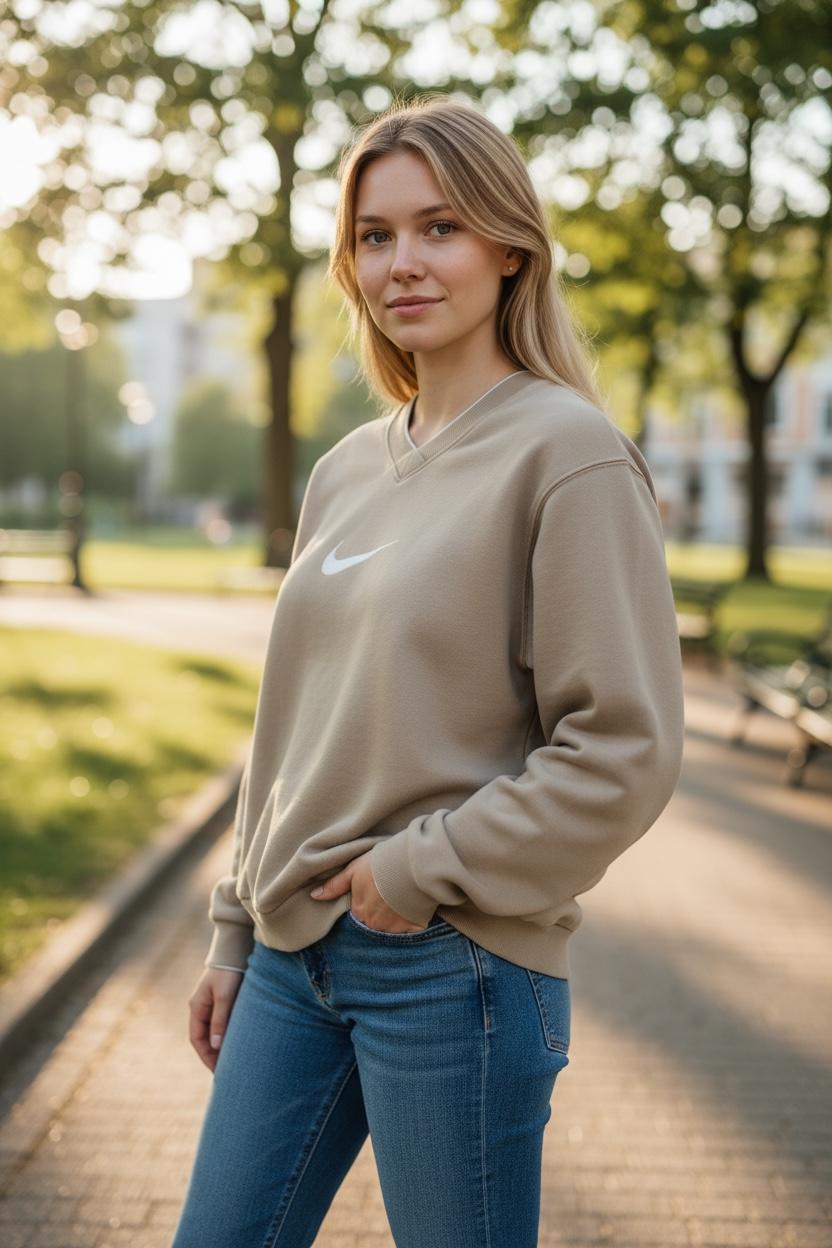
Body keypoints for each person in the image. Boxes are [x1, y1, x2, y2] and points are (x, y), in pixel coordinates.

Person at [171, 92, 685, 1248]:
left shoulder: (569, 454)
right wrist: (231, 924)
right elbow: (290, 727)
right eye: (374, 235)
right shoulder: (347, 468)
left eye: (439, 228)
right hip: (288, 959)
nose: (402, 262)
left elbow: (623, 749)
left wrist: (424, 867)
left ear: (509, 250)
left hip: (454, 969)